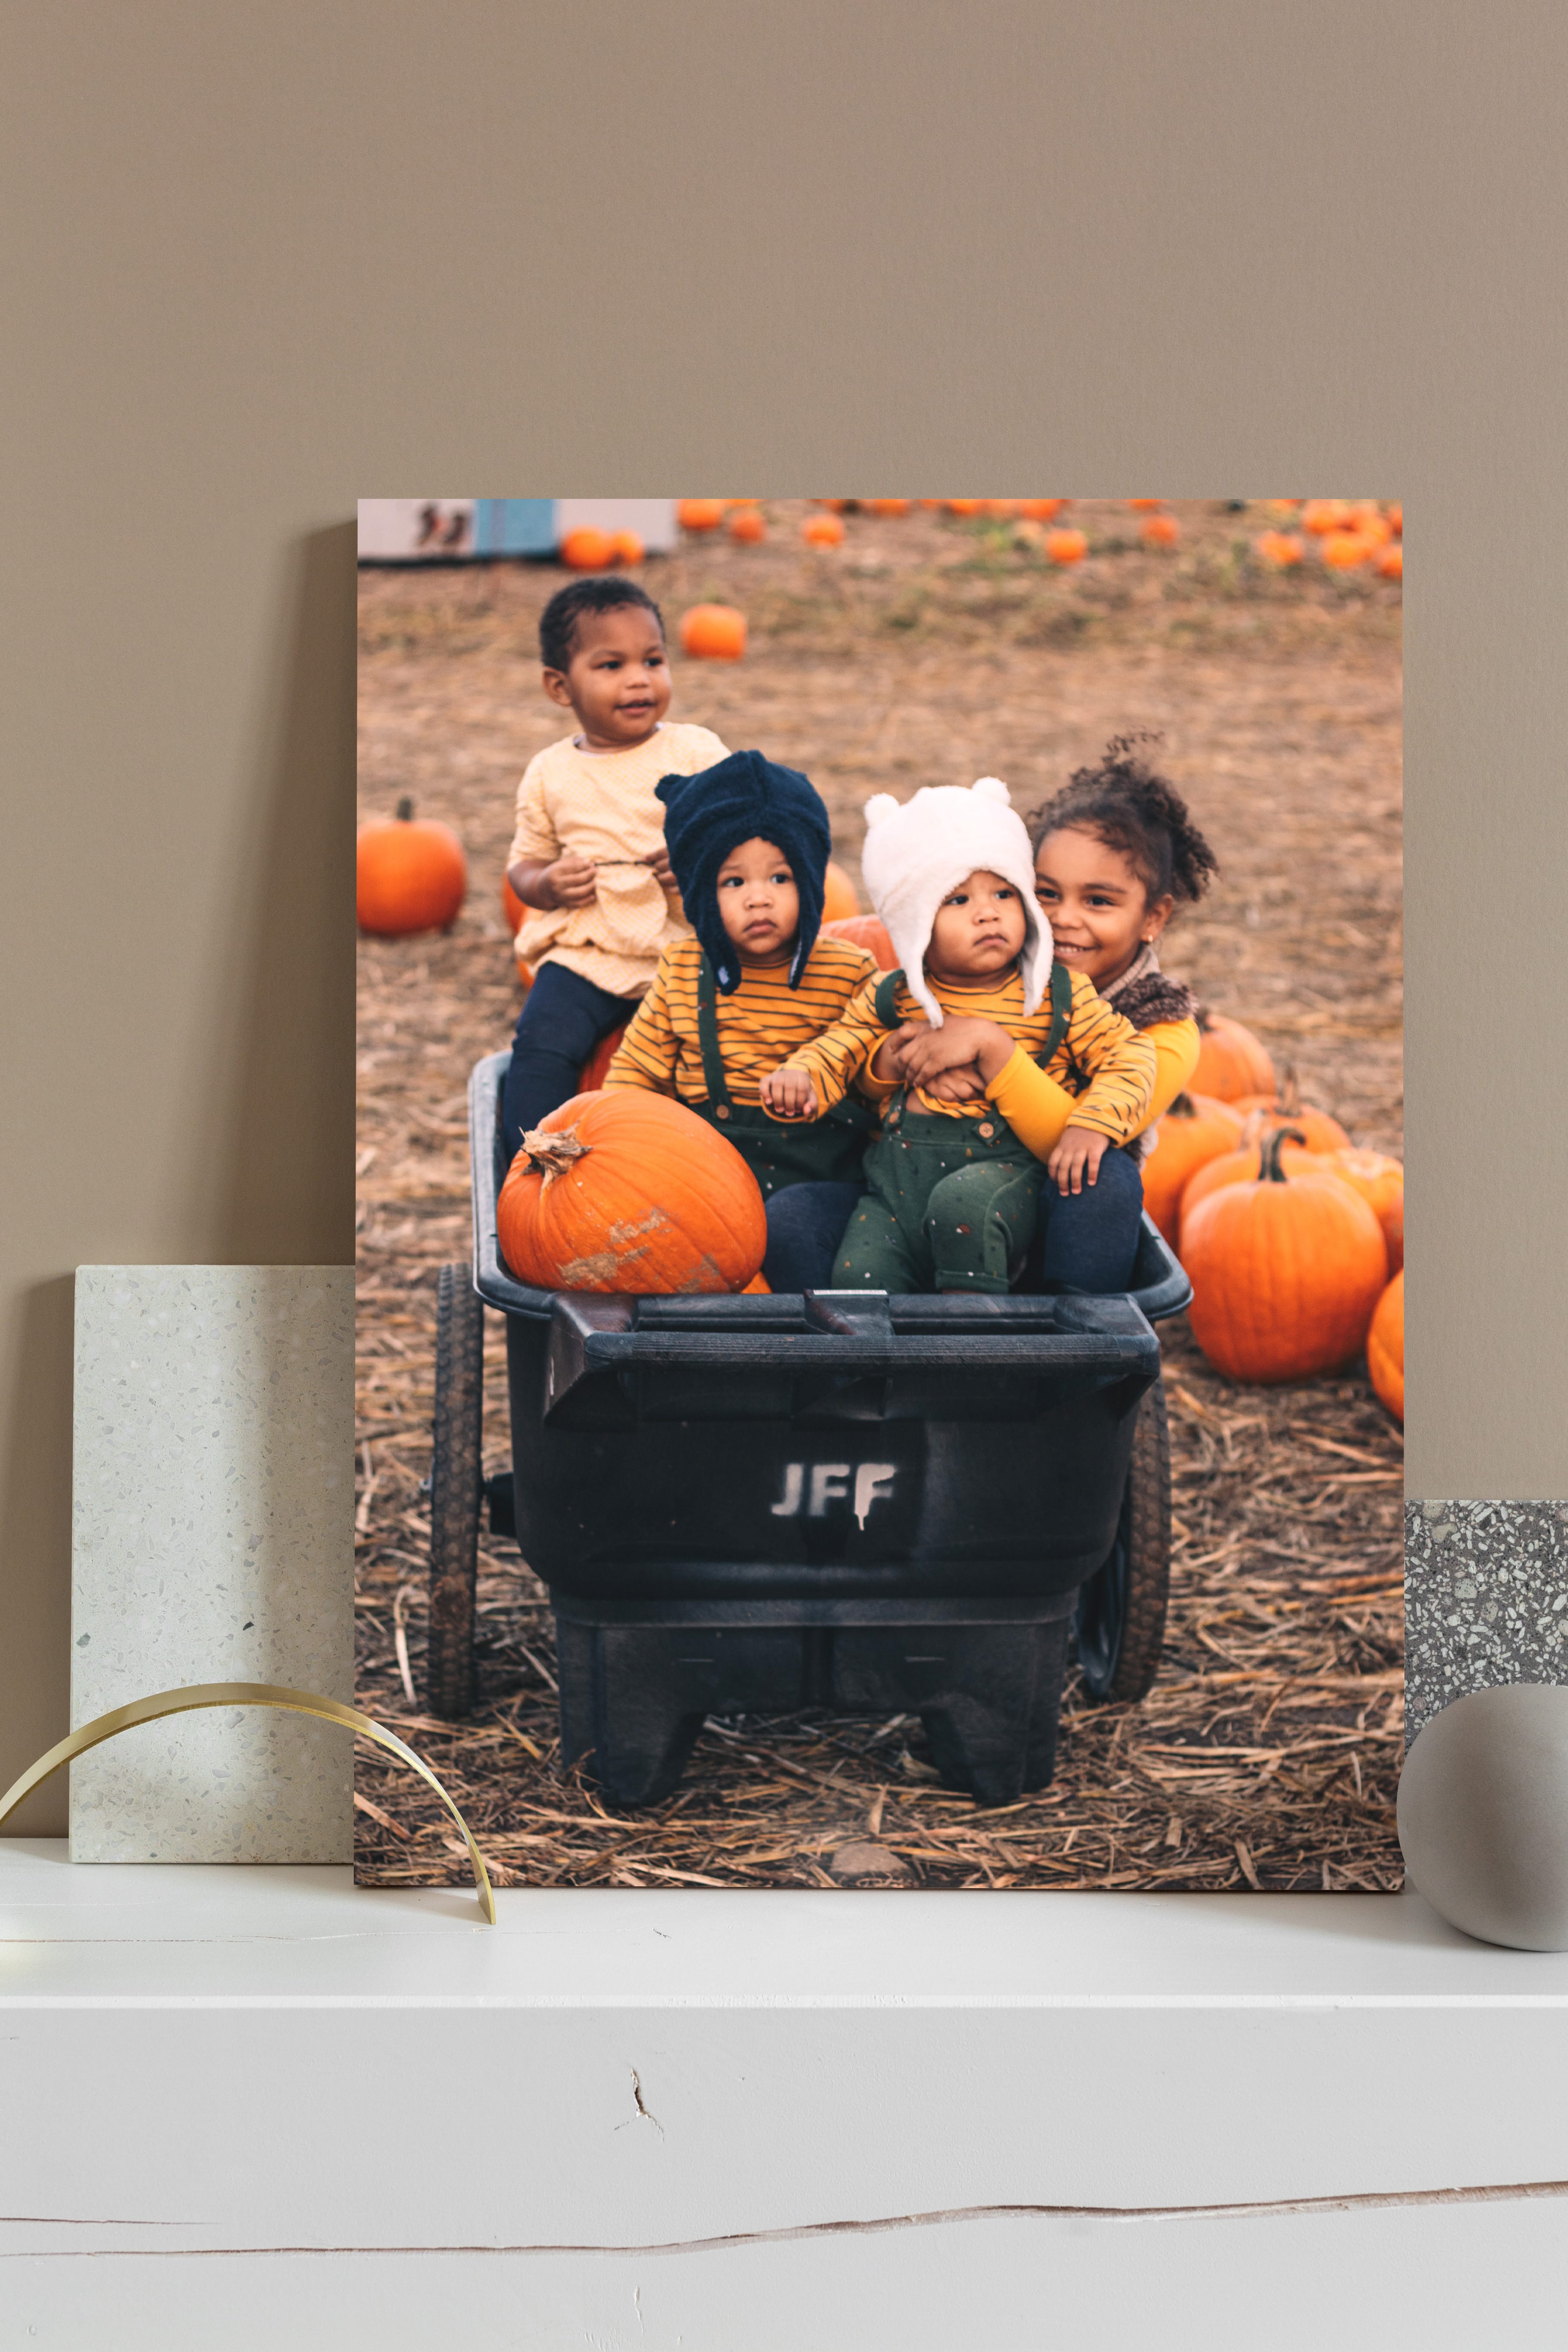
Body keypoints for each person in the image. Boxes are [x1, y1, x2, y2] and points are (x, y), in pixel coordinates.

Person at [771, 777, 1156, 1295]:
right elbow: (842, 1043)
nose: (988, 911)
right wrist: (804, 1074)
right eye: (956, 900)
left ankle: (969, 1357)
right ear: (913, 925)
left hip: (1002, 1178)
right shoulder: (892, 995)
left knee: (964, 1209)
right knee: (859, 1276)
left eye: (1004, 893)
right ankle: (874, 1372)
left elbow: (1130, 1055)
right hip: (895, 1190)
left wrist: (1093, 1124)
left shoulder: (1056, 996)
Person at [602, 750, 880, 1290]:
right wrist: (610, 1151)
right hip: (709, 1189)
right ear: (701, 891)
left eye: (780, 877)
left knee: (792, 1230)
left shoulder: (851, 973)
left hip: (825, 1189)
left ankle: (823, 1364)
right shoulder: (683, 972)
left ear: (812, 880)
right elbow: (634, 1083)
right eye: (734, 883)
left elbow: (879, 1073)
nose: (758, 899)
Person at [500, 575, 728, 1155]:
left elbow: (745, 836)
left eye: (653, 660)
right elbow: (523, 866)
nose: (638, 679)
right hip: (589, 952)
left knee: (724, 1050)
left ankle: (713, 1162)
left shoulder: (695, 752)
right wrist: (547, 885)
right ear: (559, 686)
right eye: (611, 665)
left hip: (686, 948)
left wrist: (702, 862)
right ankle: (531, 1163)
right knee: (543, 1041)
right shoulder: (550, 773)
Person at [1024, 733, 1213, 1178]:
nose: (1064, 917)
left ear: (1153, 917)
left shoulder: (1164, 1028)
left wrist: (992, 1058)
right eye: (1047, 893)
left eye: (1098, 902)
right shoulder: (1000, 971)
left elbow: (1070, 1139)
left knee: (1111, 1180)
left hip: (1067, 1211)